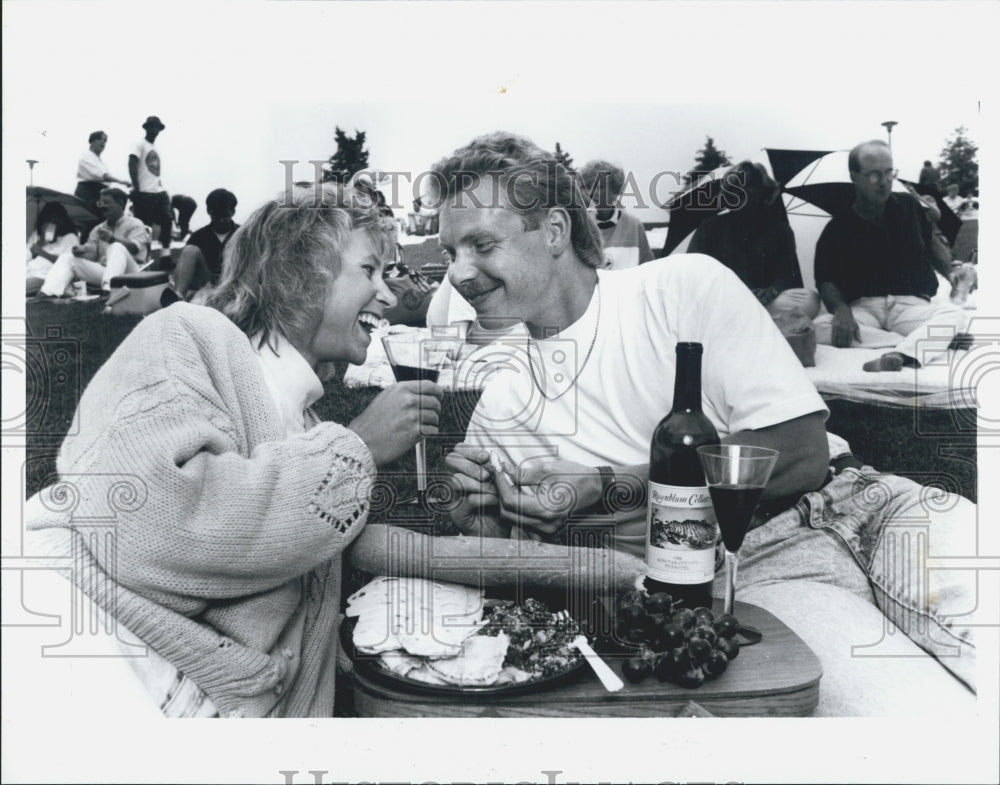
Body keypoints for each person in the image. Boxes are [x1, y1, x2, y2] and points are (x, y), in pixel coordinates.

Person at [435, 132, 979, 715]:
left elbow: (800, 454)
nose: (460, 275)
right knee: (914, 721)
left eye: (481, 245)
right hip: (753, 572)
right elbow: (521, 585)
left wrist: (614, 484)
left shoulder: (680, 286)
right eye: (449, 253)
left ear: (554, 231)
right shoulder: (500, 401)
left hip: (865, 503)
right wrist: (483, 527)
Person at [23, 182, 444, 718]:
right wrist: (357, 447)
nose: (387, 295)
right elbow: (145, 525)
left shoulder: (304, 423)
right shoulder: (186, 335)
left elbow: (292, 605)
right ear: (303, 274)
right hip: (85, 658)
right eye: (369, 271)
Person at [813, 140, 969, 372]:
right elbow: (825, 279)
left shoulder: (910, 206)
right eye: (875, 175)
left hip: (910, 306)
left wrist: (950, 271)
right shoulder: (838, 227)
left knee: (954, 315)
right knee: (818, 327)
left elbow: (931, 243)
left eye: (889, 173)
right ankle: (911, 341)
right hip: (864, 309)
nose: (884, 182)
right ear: (855, 177)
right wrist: (841, 311)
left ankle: (901, 353)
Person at [687, 160, 820, 320]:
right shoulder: (710, 226)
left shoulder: (780, 230)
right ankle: (751, 319)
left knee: (810, 299)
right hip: (723, 300)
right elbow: (693, 272)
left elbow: (786, 275)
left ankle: (745, 319)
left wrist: (772, 291)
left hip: (764, 303)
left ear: (764, 192)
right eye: (737, 187)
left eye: (751, 186)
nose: (743, 192)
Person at [38, 187, 148, 296]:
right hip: (106, 273)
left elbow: (135, 248)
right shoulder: (98, 229)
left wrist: (112, 239)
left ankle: (109, 290)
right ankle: (48, 292)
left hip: (131, 272)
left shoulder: (135, 224)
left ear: (120, 204)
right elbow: (92, 255)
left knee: (116, 247)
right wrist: (81, 251)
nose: (102, 206)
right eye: (100, 202)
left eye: (106, 202)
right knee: (67, 257)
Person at [578, 159, 653, 269]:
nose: (592, 193)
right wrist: (590, 223)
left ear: (616, 192)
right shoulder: (578, 227)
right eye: (588, 186)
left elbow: (648, 268)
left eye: (600, 187)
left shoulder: (634, 225)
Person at [170, 188, 239, 300]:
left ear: (233, 212)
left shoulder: (243, 234)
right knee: (190, 250)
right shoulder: (198, 236)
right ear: (209, 212)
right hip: (207, 283)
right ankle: (178, 297)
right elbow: (182, 268)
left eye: (225, 216)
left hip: (234, 284)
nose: (221, 220)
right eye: (217, 216)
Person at [129, 115, 172, 264]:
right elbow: (132, 162)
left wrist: (161, 187)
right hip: (144, 192)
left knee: (167, 219)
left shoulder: (155, 149)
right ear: (146, 128)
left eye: (157, 127)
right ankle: (144, 256)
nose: (155, 130)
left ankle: (165, 255)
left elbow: (154, 172)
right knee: (144, 226)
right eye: (152, 127)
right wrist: (136, 186)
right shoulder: (140, 144)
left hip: (158, 191)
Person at [26, 202, 79, 295]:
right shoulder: (36, 236)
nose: (52, 223)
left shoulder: (70, 237)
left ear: (62, 221)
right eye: (48, 220)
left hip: (45, 276)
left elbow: (68, 263)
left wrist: (42, 252)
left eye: (55, 220)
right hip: (28, 271)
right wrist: (40, 242)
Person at [74, 130, 129, 212]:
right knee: (88, 219)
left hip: (100, 194)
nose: (103, 142)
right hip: (88, 193)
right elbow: (103, 176)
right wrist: (121, 181)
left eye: (105, 140)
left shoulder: (102, 162)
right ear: (92, 141)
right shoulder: (86, 156)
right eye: (100, 139)